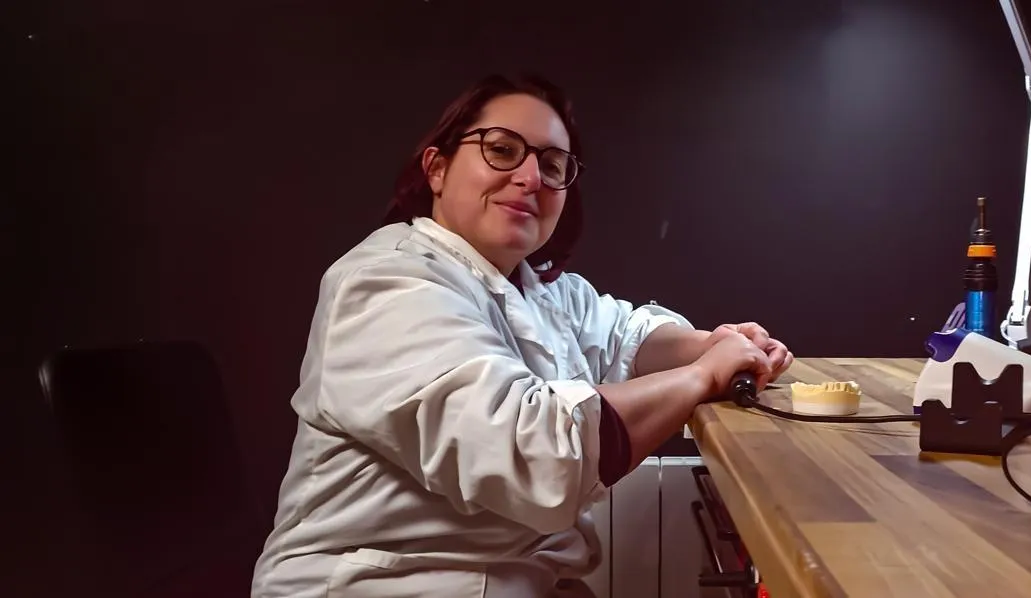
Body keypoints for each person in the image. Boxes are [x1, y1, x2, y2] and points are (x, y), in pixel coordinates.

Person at [251, 74, 794, 598]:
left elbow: (626, 336)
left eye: (552, 165)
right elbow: (536, 453)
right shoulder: (387, 284)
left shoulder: (537, 290)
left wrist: (714, 344)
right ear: (437, 169)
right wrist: (703, 376)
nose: (532, 177)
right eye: (502, 150)